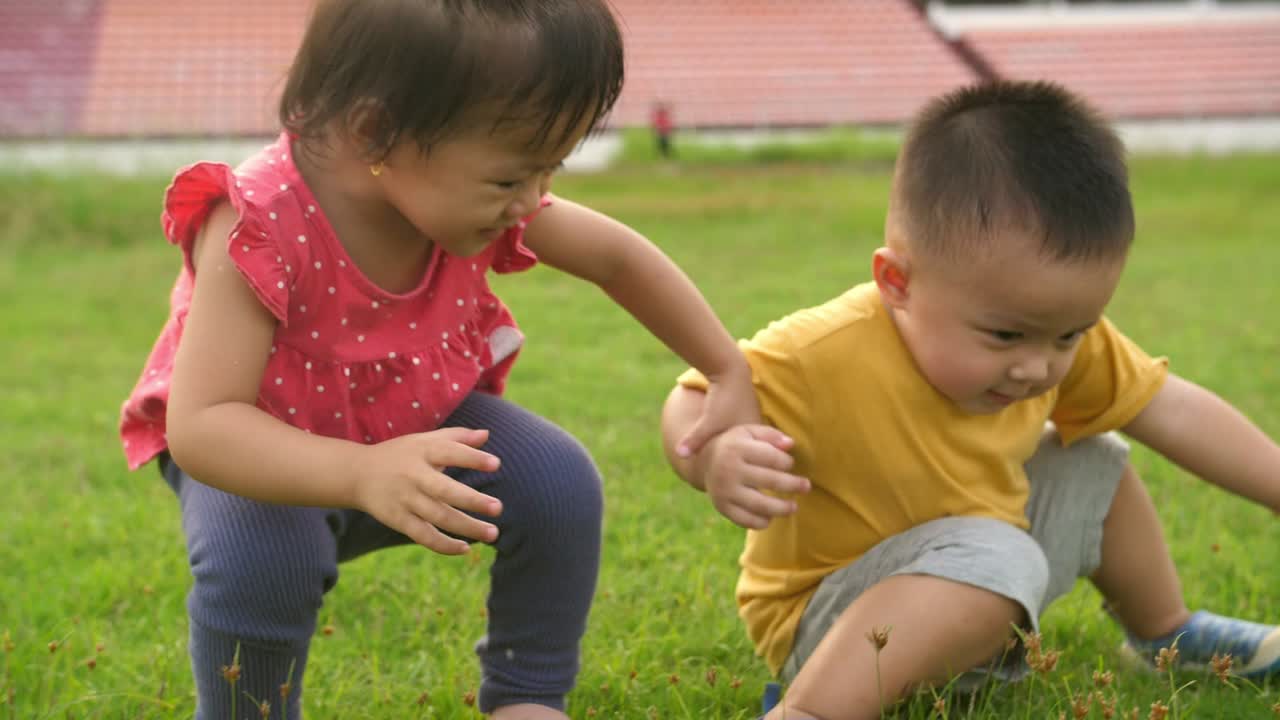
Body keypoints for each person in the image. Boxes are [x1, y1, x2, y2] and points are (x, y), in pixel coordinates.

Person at [118, 2, 758, 718]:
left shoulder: (452, 192)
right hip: (260, 444)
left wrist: (724, 367)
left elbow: (617, 259)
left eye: (548, 171)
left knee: (558, 482)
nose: (532, 202)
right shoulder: (259, 222)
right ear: (375, 131)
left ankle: (528, 699)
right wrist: (360, 472)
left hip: (411, 421)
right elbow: (204, 425)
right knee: (269, 559)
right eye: (510, 179)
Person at [660, 80, 1280, 720]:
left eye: (1069, 334)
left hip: (982, 575)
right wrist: (714, 455)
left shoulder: (1052, 341)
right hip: (832, 623)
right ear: (897, 283)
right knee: (997, 552)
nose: (1038, 366)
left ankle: (1166, 633)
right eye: (1005, 335)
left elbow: (1172, 408)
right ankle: (809, 710)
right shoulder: (823, 351)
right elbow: (696, 396)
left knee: (1094, 461)